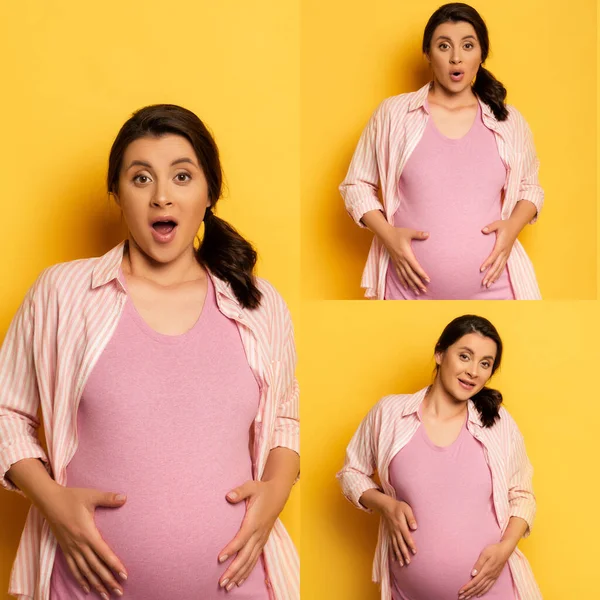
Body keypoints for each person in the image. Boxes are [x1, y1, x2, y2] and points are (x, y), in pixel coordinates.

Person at [0, 104, 299, 600]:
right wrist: (51, 500)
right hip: (84, 589)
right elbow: (5, 412)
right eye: (141, 178)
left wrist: (275, 492)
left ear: (209, 193)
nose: (162, 196)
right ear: (117, 193)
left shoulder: (260, 306)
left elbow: (284, 416)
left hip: (241, 586)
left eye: (182, 176)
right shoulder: (63, 293)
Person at [339, 3, 543, 300]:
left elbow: (531, 187)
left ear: (481, 55)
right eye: (444, 45)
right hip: (405, 290)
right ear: (428, 53)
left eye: (468, 45)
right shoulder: (394, 114)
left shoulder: (508, 121)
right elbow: (355, 185)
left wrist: (512, 227)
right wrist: (389, 237)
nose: (456, 57)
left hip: (498, 289)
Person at [337, 315, 541, 599]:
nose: (473, 371)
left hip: (493, 590)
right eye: (464, 356)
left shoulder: (497, 422)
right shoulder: (390, 414)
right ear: (440, 353)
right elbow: (351, 473)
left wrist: (503, 551)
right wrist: (385, 504)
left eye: (485, 363)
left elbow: (522, 495)